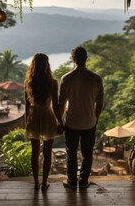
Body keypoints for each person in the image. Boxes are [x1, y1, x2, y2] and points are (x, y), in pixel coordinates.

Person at [59, 46, 104, 189]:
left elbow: (61, 104)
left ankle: (72, 181)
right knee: (87, 153)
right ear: (86, 59)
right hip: (89, 123)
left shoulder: (66, 78)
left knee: (71, 153)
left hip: (72, 123)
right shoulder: (96, 78)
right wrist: (95, 118)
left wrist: (60, 121)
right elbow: (100, 102)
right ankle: (83, 181)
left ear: (73, 59)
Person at [24, 53, 64, 192]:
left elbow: (27, 106)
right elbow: (55, 106)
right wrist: (60, 122)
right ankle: (44, 183)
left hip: (34, 117)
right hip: (47, 117)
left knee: (35, 154)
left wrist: (26, 123)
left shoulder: (28, 82)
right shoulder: (52, 83)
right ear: (47, 65)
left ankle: (36, 182)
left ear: (33, 65)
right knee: (47, 153)